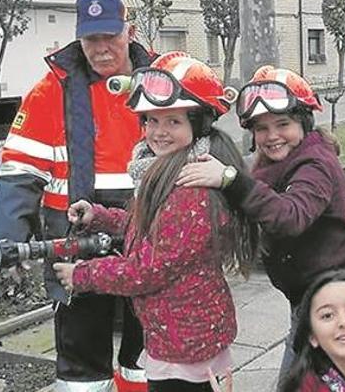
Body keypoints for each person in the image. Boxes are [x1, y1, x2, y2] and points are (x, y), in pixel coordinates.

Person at [52, 52, 257, 392]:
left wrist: (83, 275)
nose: (158, 132)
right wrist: (98, 217)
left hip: (186, 342)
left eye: (173, 122)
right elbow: (148, 226)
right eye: (151, 121)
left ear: (199, 123)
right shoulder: (166, 171)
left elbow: (150, 269)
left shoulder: (190, 188)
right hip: (181, 332)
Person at [0, 0, 153, 391]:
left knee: (148, 352)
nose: (101, 50)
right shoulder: (51, 90)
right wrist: (9, 237)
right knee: (82, 361)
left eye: (110, 38)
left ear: (129, 32)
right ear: (79, 38)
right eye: (91, 40)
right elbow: (21, 168)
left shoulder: (159, 81)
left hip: (150, 234)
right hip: (76, 242)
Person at [176, 66, 345, 379]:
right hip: (306, 300)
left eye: (283, 124)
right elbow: (250, 202)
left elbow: (289, 217)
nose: (272, 136)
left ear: (304, 122)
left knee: (322, 382)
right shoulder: (270, 163)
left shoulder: (316, 164)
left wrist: (230, 179)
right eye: (261, 128)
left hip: (335, 300)